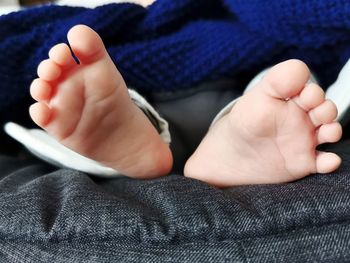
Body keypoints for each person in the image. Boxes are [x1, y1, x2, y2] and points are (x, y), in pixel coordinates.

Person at [29, 24, 342, 187]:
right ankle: (134, 125)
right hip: (225, 90)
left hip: (187, 95)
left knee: (284, 83)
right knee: (285, 83)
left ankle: (234, 130)